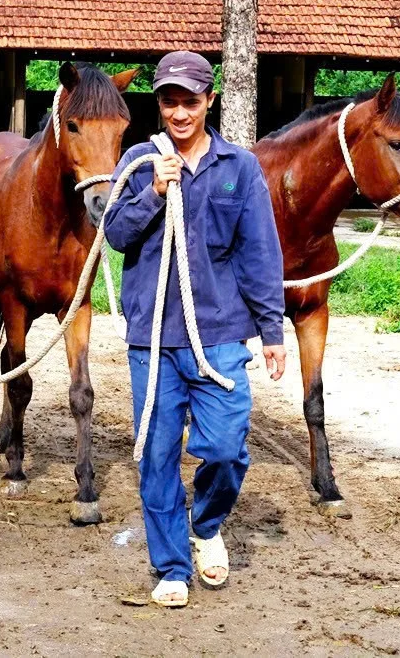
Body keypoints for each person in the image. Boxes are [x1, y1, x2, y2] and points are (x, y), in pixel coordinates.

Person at [103, 51, 287, 608]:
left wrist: (272, 331)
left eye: (189, 101)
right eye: (168, 101)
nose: (179, 113)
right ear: (156, 105)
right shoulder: (137, 161)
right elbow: (113, 232)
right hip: (154, 339)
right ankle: (171, 567)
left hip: (221, 336)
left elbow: (259, 252)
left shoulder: (240, 168)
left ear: (210, 100)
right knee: (157, 455)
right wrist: (153, 194)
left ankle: (206, 526)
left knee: (228, 448)